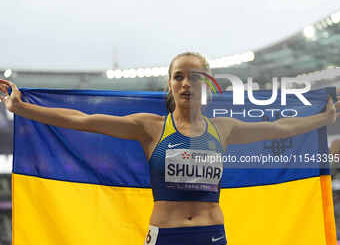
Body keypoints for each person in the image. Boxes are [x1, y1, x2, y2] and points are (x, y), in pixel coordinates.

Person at [1, 52, 339, 245]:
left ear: (206, 82)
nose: (186, 83)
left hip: (212, 234)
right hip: (165, 236)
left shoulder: (223, 129)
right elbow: (82, 119)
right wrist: (23, 108)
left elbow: (279, 127)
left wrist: (321, 119)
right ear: (170, 83)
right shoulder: (150, 127)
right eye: (179, 76)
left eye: (195, 76)